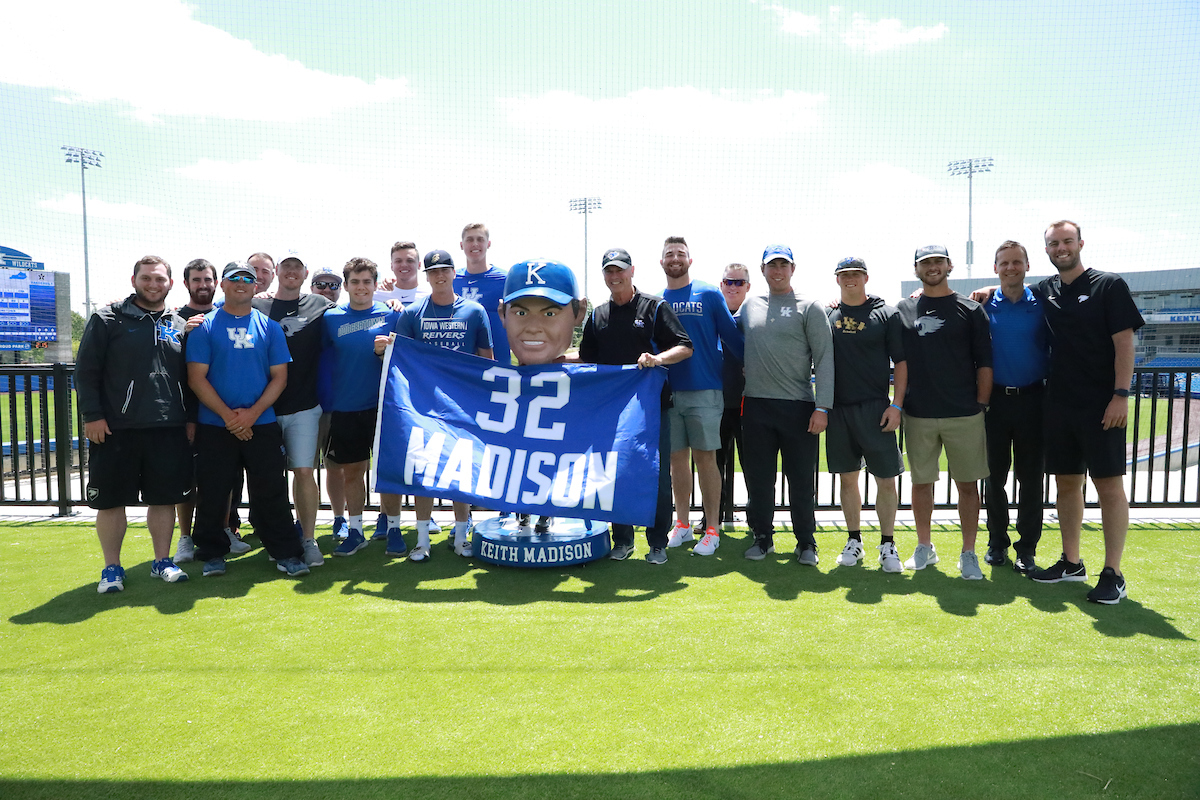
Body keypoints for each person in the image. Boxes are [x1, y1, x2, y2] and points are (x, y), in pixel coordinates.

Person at [1029, 221, 1143, 604]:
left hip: (1102, 405)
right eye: (1053, 243)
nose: (1060, 248)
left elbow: (1125, 343)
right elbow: (1012, 294)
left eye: (1066, 241)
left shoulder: (1109, 285)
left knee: (1108, 485)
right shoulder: (1044, 290)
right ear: (1046, 250)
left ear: (1080, 243)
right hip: (1058, 404)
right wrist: (988, 289)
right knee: (1066, 484)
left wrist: (1121, 395)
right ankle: (1072, 562)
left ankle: (1114, 572)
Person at [77, 255, 193, 593]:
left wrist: (189, 419)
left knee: (164, 498)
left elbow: (187, 377)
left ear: (170, 283)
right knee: (110, 501)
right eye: (147, 278)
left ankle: (162, 561)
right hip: (115, 428)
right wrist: (92, 416)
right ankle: (111, 568)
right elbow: (86, 373)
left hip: (168, 426)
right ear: (134, 280)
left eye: (160, 279)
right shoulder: (107, 318)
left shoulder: (176, 323)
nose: (153, 284)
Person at [186, 261, 309, 578]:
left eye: (248, 278)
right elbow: (197, 378)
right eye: (234, 278)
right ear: (222, 285)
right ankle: (212, 552)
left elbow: (279, 377)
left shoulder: (269, 327)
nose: (241, 282)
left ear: (257, 287)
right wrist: (230, 417)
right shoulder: (206, 326)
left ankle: (284, 551)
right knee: (213, 491)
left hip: (261, 423)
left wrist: (251, 415)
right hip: (216, 425)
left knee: (271, 490)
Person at [577, 247, 693, 565]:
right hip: (613, 411)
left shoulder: (655, 307)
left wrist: (657, 359)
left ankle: (657, 542)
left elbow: (685, 346)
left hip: (653, 407)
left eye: (620, 270)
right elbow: (586, 358)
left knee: (655, 475)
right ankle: (623, 540)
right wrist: (551, 360)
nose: (615, 276)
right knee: (615, 472)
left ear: (632, 272)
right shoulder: (598, 314)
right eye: (609, 271)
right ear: (604, 276)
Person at [379, 249, 494, 561]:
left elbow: (488, 361)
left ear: (454, 273)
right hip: (423, 405)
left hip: (464, 404)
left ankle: (460, 537)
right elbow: (399, 357)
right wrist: (384, 349)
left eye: (445, 270)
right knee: (424, 469)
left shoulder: (474, 311)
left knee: (462, 468)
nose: (440, 276)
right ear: (426, 276)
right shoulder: (413, 313)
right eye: (433, 272)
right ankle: (421, 540)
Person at [896, 245, 992, 580]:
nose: (933, 267)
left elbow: (985, 362)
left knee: (968, 485)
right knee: (921, 483)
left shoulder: (970, 309)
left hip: (964, 413)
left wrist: (980, 404)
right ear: (916, 268)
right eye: (925, 262)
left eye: (938, 261)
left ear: (949, 265)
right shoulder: (904, 309)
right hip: (919, 412)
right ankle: (925, 546)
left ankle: (969, 553)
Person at [737, 245, 834, 565]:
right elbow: (724, 331)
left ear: (793, 269)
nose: (777, 271)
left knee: (801, 481)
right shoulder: (750, 305)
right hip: (756, 407)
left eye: (783, 265)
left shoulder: (810, 306)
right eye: (771, 265)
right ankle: (762, 538)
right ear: (762, 270)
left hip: (799, 408)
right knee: (760, 480)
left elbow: (824, 359)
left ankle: (806, 542)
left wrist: (823, 407)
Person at [659, 237, 743, 556]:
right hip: (670, 393)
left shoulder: (708, 293)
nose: (675, 258)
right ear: (662, 261)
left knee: (706, 459)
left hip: (706, 390)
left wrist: (752, 367)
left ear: (690, 261)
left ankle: (712, 528)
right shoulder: (656, 299)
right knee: (676, 460)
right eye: (670, 254)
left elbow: (732, 337)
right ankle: (681, 524)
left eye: (681, 253)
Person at [251, 252, 333, 567]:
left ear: (305, 274)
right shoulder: (257, 305)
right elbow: (221, 313)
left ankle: (309, 539)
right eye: (286, 267)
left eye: (297, 268)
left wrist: (389, 301)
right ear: (276, 273)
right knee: (268, 477)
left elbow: (355, 311)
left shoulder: (319, 304)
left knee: (304, 471)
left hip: (304, 406)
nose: (291, 272)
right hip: (264, 408)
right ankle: (277, 538)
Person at [825, 257, 907, 573]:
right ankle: (854, 541)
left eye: (855, 274)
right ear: (837, 280)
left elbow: (900, 362)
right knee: (848, 478)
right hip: (839, 410)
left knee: (886, 479)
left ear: (866, 277)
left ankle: (888, 544)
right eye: (844, 275)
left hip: (876, 408)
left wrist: (896, 405)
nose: (850, 279)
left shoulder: (885, 315)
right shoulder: (828, 313)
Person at [322, 258, 404, 557]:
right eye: (355, 282)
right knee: (353, 472)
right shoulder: (330, 318)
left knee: (387, 470)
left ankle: (393, 527)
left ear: (374, 284)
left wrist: (387, 351)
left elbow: (406, 358)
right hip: (346, 406)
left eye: (367, 281)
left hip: (385, 407)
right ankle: (355, 531)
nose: (361, 287)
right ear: (346, 286)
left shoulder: (392, 314)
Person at [982, 241, 1047, 574]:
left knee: (1031, 478)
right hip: (994, 402)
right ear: (995, 268)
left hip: (1034, 400)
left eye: (1016, 262)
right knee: (994, 478)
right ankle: (997, 543)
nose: (1010, 268)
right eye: (1004, 263)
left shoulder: (1043, 303)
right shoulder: (981, 304)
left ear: (1027, 266)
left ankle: (1027, 548)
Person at [173, 258, 225, 565]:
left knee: (224, 478)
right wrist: (184, 332)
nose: (202, 285)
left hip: (223, 413)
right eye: (196, 280)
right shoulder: (176, 319)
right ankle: (185, 537)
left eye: (207, 279)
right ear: (186, 284)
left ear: (216, 283)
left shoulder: (227, 315)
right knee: (188, 478)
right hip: (189, 414)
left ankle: (223, 530)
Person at [309, 267, 352, 537]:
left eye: (333, 285)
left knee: (336, 468)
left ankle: (339, 518)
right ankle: (303, 523)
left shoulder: (345, 317)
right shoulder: (299, 314)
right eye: (321, 284)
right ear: (311, 287)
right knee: (304, 470)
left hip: (338, 406)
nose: (327, 289)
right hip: (306, 406)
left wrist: (390, 299)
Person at [716, 263, 751, 526]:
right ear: (721, 285)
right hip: (715, 402)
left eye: (739, 282)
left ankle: (757, 519)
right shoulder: (712, 316)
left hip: (749, 403)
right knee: (713, 465)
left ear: (748, 287)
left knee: (752, 466)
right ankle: (712, 517)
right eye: (729, 281)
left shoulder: (755, 315)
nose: (733, 286)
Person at [456, 223, 510, 364]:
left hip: (499, 362)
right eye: (469, 240)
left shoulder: (505, 279)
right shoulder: (453, 279)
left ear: (488, 244)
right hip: (461, 363)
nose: (475, 244)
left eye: (480, 239)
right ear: (462, 245)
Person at [376, 241, 430, 307]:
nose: (404, 265)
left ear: (419, 265)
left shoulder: (430, 295)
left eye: (410, 260)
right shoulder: (377, 296)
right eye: (398, 261)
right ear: (392, 266)